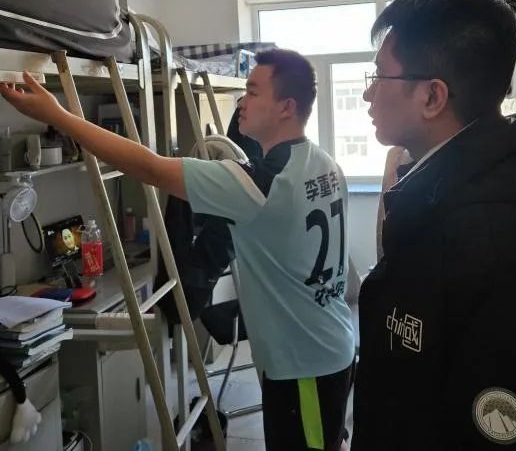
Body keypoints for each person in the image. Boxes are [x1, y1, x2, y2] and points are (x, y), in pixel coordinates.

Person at [0, 48, 355, 451]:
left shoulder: (261, 184)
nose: (242, 101)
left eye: (254, 92)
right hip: (330, 344)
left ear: (287, 107)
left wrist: (59, 115)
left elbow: (150, 167)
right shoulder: (325, 163)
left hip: (304, 365)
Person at [352, 0, 516, 450]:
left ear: (433, 96)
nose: (368, 93)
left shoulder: (508, 245)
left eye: (379, 75)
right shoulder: (436, 194)